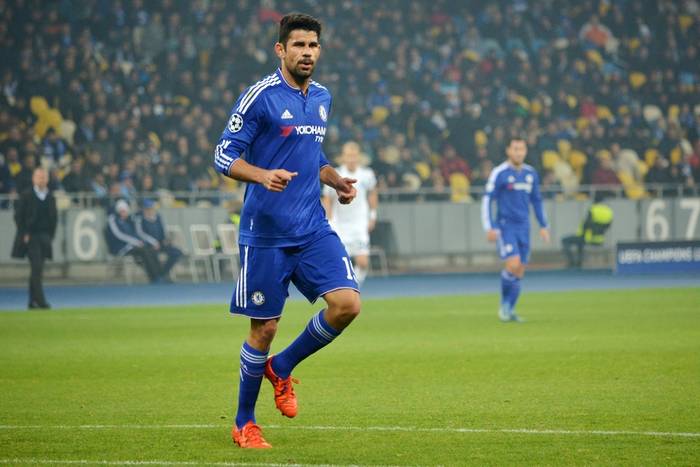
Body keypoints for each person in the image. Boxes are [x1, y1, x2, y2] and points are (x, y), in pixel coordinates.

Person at [213, 13, 361, 449]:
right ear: (281, 49)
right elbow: (223, 154)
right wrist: (261, 175)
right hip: (266, 234)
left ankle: (282, 367)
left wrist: (333, 180)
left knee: (347, 305)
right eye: (298, 45)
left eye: (313, 45)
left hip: (312, 227)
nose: (307, 53)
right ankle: (244, 423)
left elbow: (311, 153)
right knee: (264, 330)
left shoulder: (322, 97)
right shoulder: (260, 96)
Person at [481, 136, 550, 322]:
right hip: (506, 227)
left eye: (522, 149)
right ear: (508, 151)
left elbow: (537, 201)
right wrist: (489, 227)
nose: (519, 153)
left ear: (525, 151)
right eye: (515, 149)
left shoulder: (530, 174)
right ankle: (504, 307)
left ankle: (509, 309)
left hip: (524, 227)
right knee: (513, 264)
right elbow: (487, 200)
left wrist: (544, 225)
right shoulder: (500, 173)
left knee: (519, 270)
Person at [322, 141, 378, 286]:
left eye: (354, 155)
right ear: (343, 157)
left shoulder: (367, 174)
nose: (351, 159)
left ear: (358, 157)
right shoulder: (336, 174)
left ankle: (354, 287)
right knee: (340, 262)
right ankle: (343, 288)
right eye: (348, 155)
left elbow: (372, 193)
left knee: (363, 262)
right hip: (340, 225)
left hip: (359, 224)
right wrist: (330, 220)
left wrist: (372, 215)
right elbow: (327, 198)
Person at [11, 167, 57, 309]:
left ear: (47, 179)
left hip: (45, 236)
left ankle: (32, 301)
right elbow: (18, 216)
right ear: (33, 179)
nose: (42, 180)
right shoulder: (26, 195)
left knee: (38, 269)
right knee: (37, 267)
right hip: (31, 236)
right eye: (39, 177)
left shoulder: (50, 196)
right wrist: (24, 233)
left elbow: (54, 218)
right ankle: (41, 301)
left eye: (44, 177)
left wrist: (51, 236)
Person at [105, 199, 163, 283]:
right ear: (118, 211)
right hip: (119, 248)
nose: (123, 213)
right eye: (121, 211)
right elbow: (119, 235)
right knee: (144, 251)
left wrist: (139, 242)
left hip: (132, 247)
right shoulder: (113, 220)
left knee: (150, 250)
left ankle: (159, 274)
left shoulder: (129, 220)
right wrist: (136, 242)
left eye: (125, 211)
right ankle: (154, 276)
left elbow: (134, 233)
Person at [134, 199, 182, 281]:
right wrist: (153, 242)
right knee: (151, 254)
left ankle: (162, 274)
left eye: (151, 208)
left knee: (177, 253)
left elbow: (163, 230)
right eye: (147, 209)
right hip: (148, 245)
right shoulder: (139, 219)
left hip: (161, 244)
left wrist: (165, 240)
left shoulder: (158, 217)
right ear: (143, 209)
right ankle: (156, 277)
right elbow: (140, 233)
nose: (150, 211)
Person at [561, 193, 613, 268]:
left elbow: (587, 224)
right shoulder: (608, 211)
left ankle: (572, 263)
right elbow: (608, 225)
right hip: (600, 239)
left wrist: (583, 233)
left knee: (565, 240)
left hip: (588, 238)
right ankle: (579, 263)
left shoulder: (593, 209)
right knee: (580, 242)